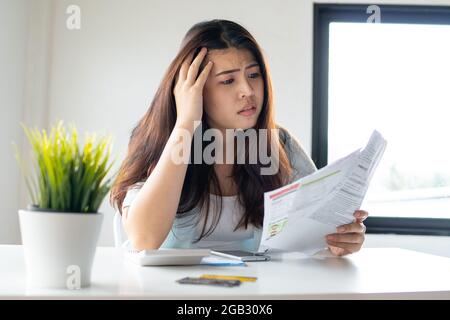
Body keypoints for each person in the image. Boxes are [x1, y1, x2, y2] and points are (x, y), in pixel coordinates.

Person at [110, 19, 367, 256]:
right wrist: (186, 122)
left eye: (253, 75)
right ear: (193, 88)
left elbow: (318, 229)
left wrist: (340, 240)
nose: (247, 91)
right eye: (228, 81)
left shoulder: (280, 145)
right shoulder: (156, 139)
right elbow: (144, 239)